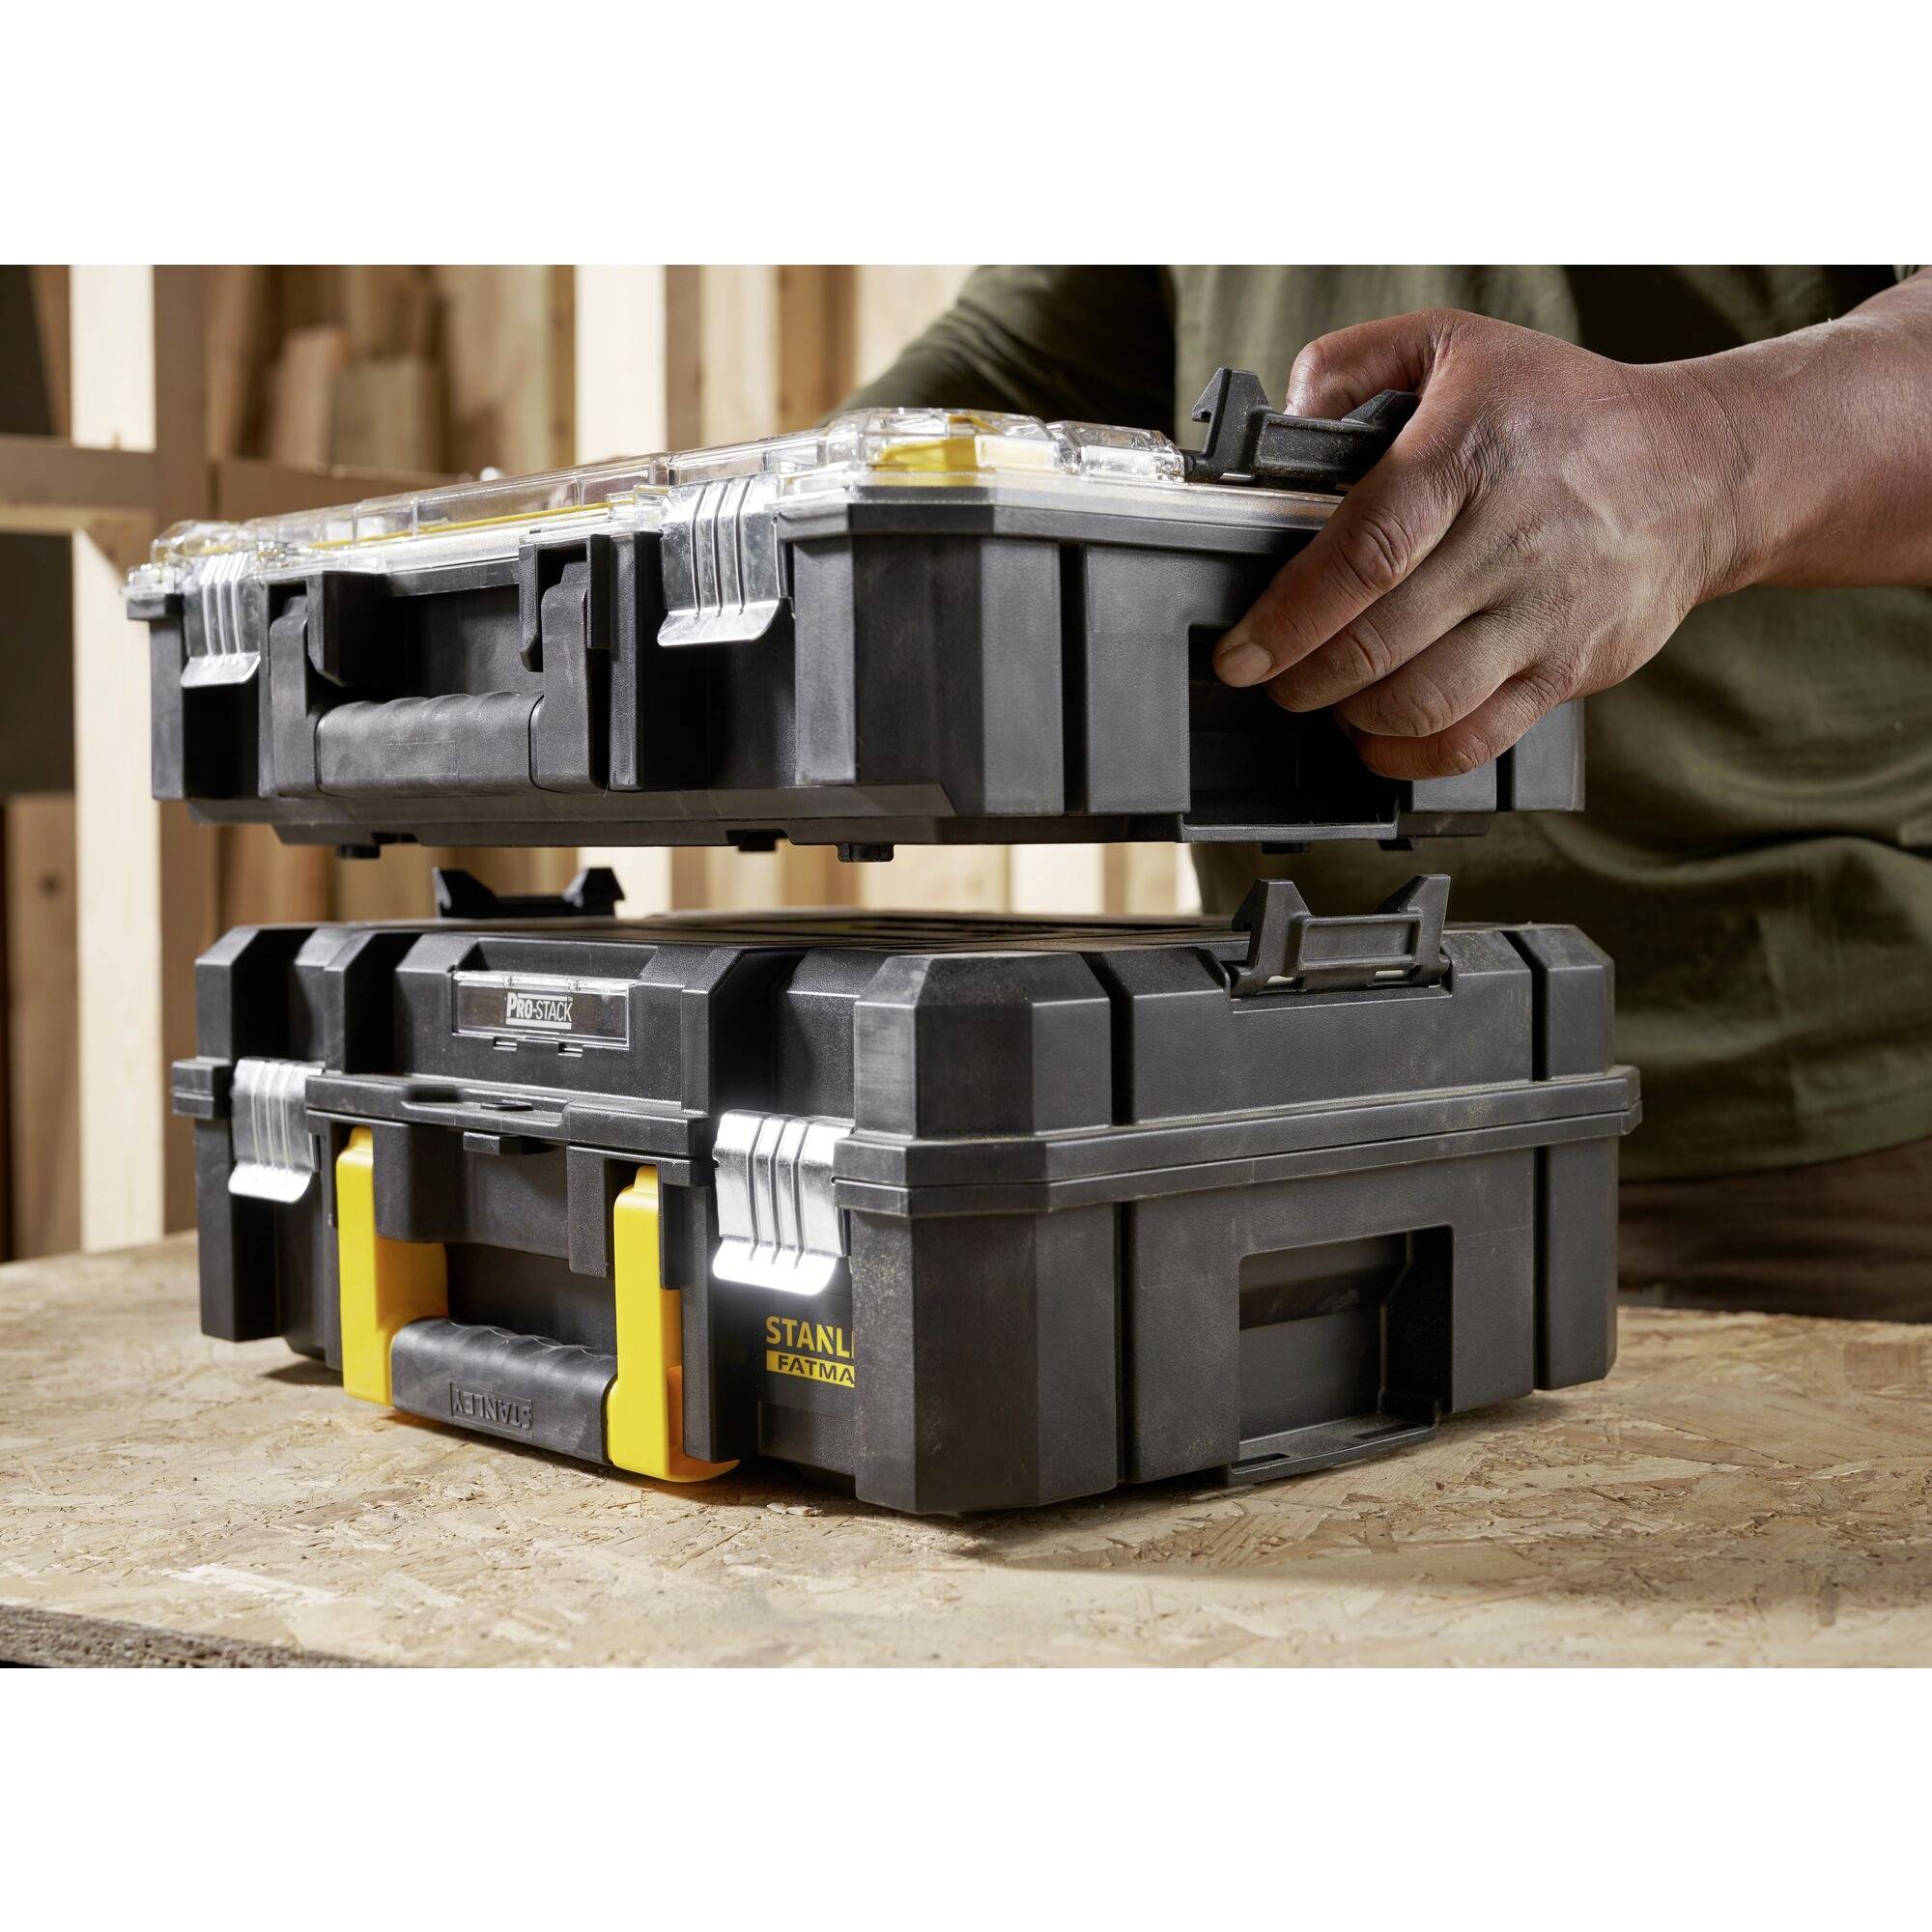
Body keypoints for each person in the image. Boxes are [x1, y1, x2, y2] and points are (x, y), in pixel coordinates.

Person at [847, 268, 1932, 1321]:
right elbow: (1014, 358)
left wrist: (1697, 460)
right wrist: (805, 513)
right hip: (1268, 1106)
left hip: (1798, 1134)